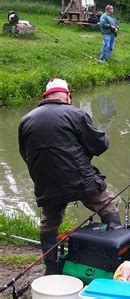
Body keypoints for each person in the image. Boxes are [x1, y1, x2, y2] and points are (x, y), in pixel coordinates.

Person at [18, 78, 121, 275]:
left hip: (46, 185)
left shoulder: (26, 120)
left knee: (50, 222)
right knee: (107, 204)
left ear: (45, 97)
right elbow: (99, 145)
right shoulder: (75, 113)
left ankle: (51, 268)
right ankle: (115, 260)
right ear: (68, 96)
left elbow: (25, 155)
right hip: (81, 181)